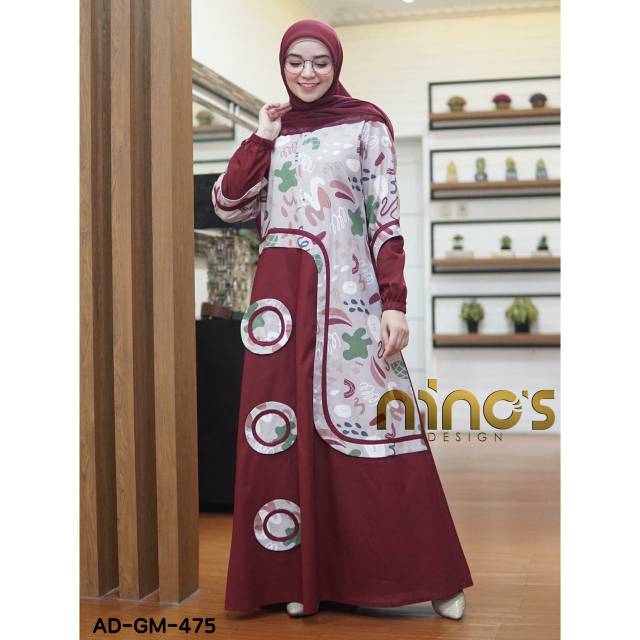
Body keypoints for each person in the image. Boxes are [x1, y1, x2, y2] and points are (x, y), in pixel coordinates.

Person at [212, 18, 473, 620]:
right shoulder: (274, 132)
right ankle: (302, 580)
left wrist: (394, 302)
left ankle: (433, 577)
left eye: (319, 62)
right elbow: (227, 204)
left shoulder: (366, 123)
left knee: (381, 425)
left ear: (336, 64)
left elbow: (385, 219)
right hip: (281, 307)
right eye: (295, 62)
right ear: (283, 65)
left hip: (349, 304)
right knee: (285, 433)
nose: (307, 73)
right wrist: (261, 137)